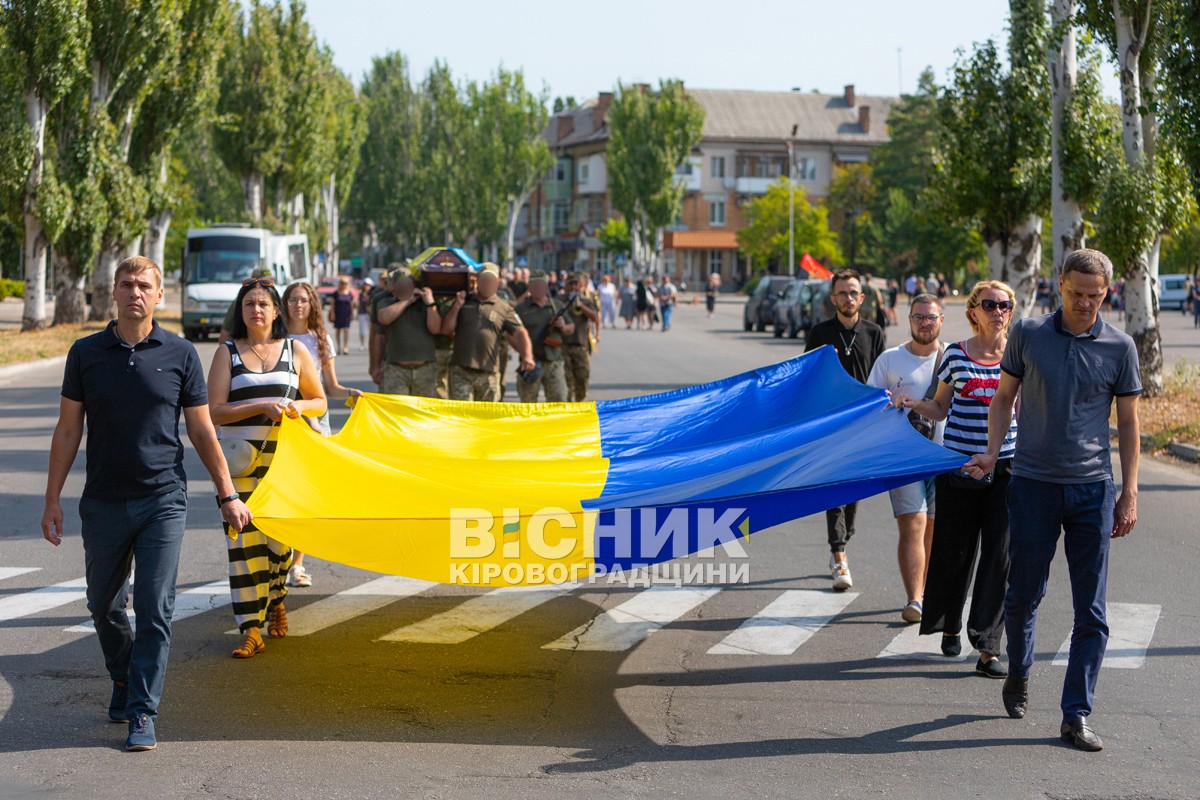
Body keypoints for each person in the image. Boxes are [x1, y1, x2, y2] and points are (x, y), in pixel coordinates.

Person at [42, 255, 253, 752]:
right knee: (103, 605)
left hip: (163, 499)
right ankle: (123, 676)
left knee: (156, 607)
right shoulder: (85, 353)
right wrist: (52, 497)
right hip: (104, 502)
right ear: (113, 292)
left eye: (144, 285)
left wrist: (227, 493)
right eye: (126, 284)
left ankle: (142, 709)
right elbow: (69, 428)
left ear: (160, 296)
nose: (134, 292)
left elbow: (202, 430)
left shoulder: (180, 354)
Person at [965, 249, 1141, 752]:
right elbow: (1003, 398)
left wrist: (1128, 492)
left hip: (1092, 490)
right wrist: (993, 452)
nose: (1085, 303)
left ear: (1107, 292)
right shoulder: (1028, 335)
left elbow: (1127, 424)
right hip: (1033, 484)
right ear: (1058, 285)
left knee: (1093, 610)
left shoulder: (1120, 347)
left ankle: (1075, 714)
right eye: (1076, 293)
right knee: (1022, 595)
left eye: (1095, 295)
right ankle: (1019, 671)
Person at [897, 281, 1019, 678]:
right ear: (974, 311)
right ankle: (949, 624)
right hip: (959, 465)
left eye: (1005, 305)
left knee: (998, 556)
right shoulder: (955, 354)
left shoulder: (1019, 355)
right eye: (990, 304)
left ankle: (987, 647)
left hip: (1006, 468)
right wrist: (914, 405)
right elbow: (939, 406)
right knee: (955, 550)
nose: (998, 311)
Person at [207, 276, 327, 660]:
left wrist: (297, 408)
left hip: (285, 464)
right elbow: (214, 410)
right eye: (248, 304)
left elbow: (320, 401)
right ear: (240, 312)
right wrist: (260, 406)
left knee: (279, 543)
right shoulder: (227, 353)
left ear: (276, 311)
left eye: (263, 304)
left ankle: (277, 600)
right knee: (243, 543)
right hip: (240, 463)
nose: (256, 310)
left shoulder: (294, 349)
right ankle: (250, 629)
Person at [804, 268, 886, 590]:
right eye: (842, 293)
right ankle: (839, 555)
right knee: (833, 490)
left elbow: (884, 377)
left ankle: (844, 539)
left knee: (853, 491)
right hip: (831, 424)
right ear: (833, 298)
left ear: (861, 298)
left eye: (854, 293)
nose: (848, 298)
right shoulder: (820, 333)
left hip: (864, 424)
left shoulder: (874, 332)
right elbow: (808, 376)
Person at [868, 293, 945, 623]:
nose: (925, 323)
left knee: (933, 527)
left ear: (941, 320)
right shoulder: (889, 360)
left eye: (931, 317)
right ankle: (915, 599)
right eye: (918, 317)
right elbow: (870, 406)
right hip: (905, 459)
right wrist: (891, 401)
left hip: (945, 457)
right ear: (908, 319)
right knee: (913, 523)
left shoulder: (953, 358)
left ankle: (925, 591)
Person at [281, 282, 364, 588]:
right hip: (283, 418)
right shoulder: (275, 336)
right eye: (292, 300)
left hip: (315, 416)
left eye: (303, 300)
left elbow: (330, 386)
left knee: (307, 492)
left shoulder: (320, 340)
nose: (298, 305)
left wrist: (350, 393)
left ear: (312, 304)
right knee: (282, 487)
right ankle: (275, 560)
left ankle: (297, 565)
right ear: (285, 304)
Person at [441, 263, 535, 401]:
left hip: (489, 373)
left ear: (497, 282)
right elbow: (446, 329)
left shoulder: (504, 307)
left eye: (491, 280)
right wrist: (457, 306)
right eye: (484, 279)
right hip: (461, 371)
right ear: (477, 280)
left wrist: (527, 356)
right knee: (463, 416)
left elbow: (521, 332)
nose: (487, 283)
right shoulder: (464, 300)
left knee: (487, 419)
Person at [373, 270, 442, 397]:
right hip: (396, 369)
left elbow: (436, 328)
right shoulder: (386, 303)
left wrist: (430, 303)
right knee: (397, 413)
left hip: (425, 369)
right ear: (392, 288)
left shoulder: (425, 303)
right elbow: (384, 318)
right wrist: (407, 300)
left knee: (423, 413)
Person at [515, 272, 572, 402]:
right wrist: (525, 354)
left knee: (559, 399)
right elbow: (511, 334)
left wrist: (563, 326)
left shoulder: (556, 305)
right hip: (531, 362)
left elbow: (571, 328)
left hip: (554, 361)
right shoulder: (521, 309)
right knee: (528, 403)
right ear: (529, 287)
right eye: (535, 285)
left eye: (541, 285)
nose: (538, 288)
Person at [561, 273, 600, 401]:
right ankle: (569, 406)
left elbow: (595, 317)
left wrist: (581, 306)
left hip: (580, 344)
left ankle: (579, 401)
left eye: (575, 284)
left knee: (582, 377)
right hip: (563, 345)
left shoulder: (587, 301)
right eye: (570, 284)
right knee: (566, 380)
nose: (573, 287)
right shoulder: (559, 300)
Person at [327, 275, 355, 355]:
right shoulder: (335, 294)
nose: (344, 285)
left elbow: (351, 305)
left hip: (346, 313)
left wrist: (352, 314)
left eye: (345, 283)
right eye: (342, 283)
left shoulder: (349, 293)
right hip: (338, 313)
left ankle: (345, 346)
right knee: (338, 330)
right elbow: (332, 305)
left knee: (346, 330)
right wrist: (332, 314)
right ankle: (338, 347)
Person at [356, 277, 375, 351]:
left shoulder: (373, 293)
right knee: (362, 330)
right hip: (362, 312)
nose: (366, 286)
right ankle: (362, 344)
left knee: (371, 329)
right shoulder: (361, 293)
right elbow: (358, 303)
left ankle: (372, 344)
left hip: (370, 313)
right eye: (365, 285)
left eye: (367, 285)